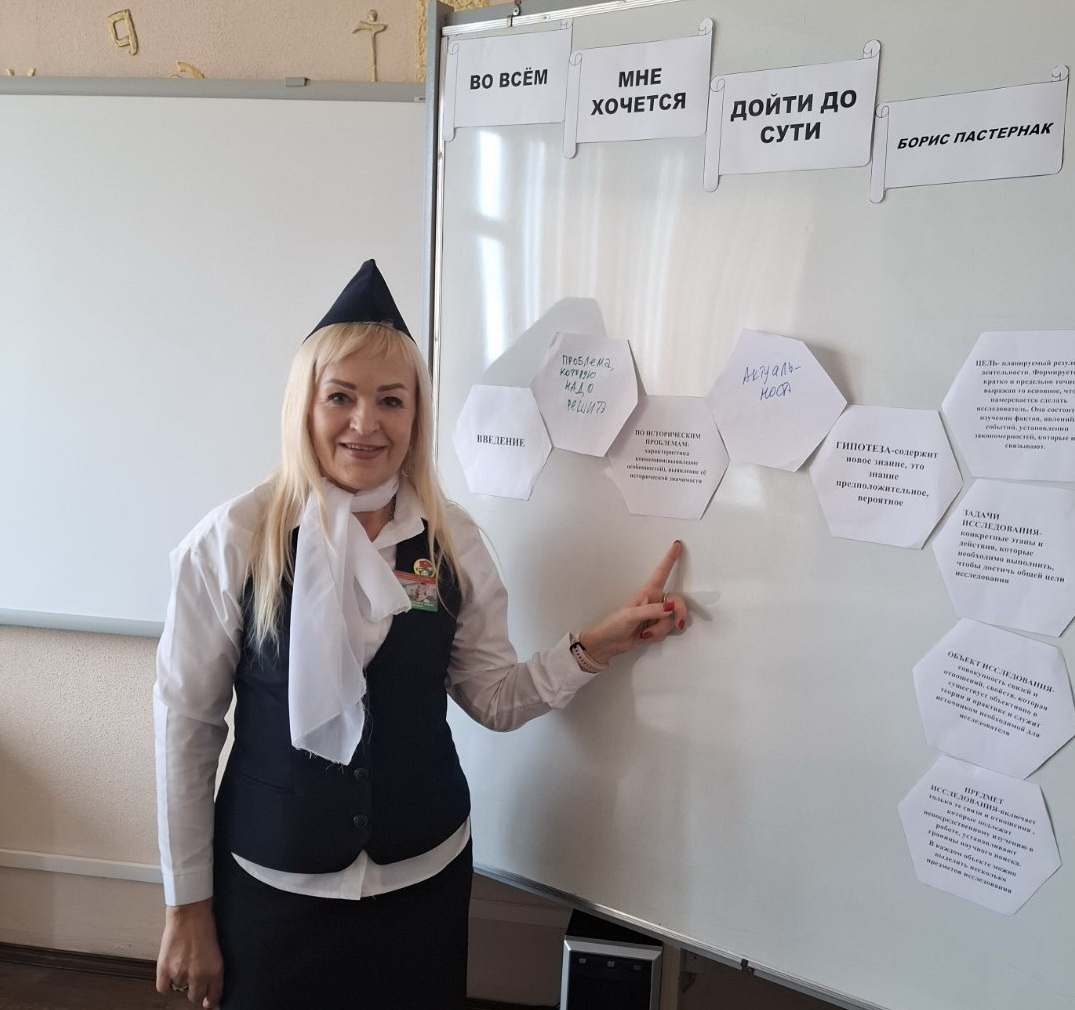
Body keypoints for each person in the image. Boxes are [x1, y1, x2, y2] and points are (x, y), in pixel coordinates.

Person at [153, 260, 687, 1009]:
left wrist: (594, 646)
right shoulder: (235, 540)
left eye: (391, 400)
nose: (365, 422)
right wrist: (187, 908)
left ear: (416, 415)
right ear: (305, 405)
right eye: (340, 396)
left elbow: (491, 698)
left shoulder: (451, 541)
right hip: (271, 887)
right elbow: (186, 730)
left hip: (422, 881)